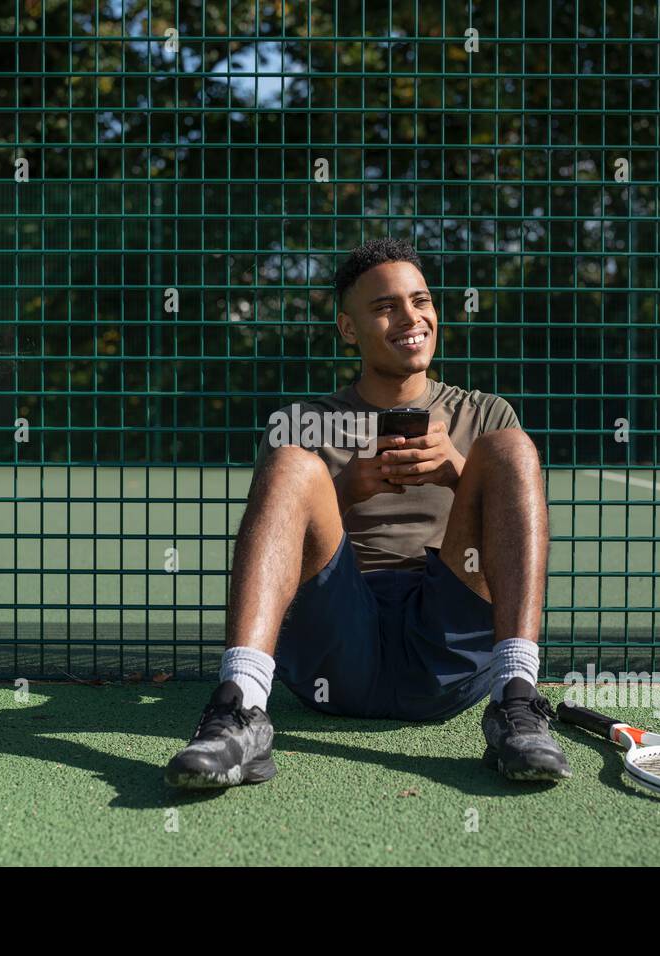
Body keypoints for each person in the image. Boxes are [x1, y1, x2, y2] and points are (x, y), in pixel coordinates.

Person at [165, 237, 570, 788]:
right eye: (385, 307)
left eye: (421, 301)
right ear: (348, 328)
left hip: (445, 643)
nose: (411, 317)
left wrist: (457, 471)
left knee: (510, 448)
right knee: (290, 464)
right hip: (337, 644)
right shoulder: (304, 422)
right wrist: (344, 490)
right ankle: (239, 709)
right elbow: (280, 544)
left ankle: (516, 699)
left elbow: (499, 520)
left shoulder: (484, 411)